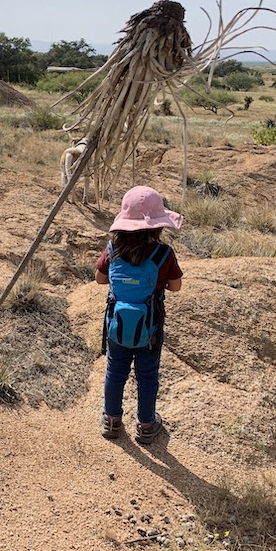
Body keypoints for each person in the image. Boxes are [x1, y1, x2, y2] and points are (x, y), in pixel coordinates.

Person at [95, 185, 183, 445]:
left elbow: (101, 279)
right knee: (147, 375)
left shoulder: (113, 249)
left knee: (115, 370)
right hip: (150, 326)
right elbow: (176, 286)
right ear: (158, 225)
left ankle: (111, 420)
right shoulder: (163, 254)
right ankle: (146, 425)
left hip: (117, 325)